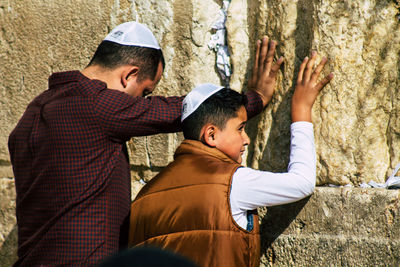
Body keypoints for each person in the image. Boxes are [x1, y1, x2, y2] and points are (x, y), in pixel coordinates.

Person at [7, 21, 280, 266]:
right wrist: (251, 100)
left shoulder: (33, 113)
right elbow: (184, 111)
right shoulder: (97, 104)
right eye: (145, 92)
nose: (142, 102)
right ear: (129, 75)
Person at [128, 52, 333, 266]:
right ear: (211, 135)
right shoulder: (232, 183)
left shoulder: (144, 196)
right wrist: (301, 110)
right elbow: (302, 182)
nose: (246, 140)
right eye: (241, 129)